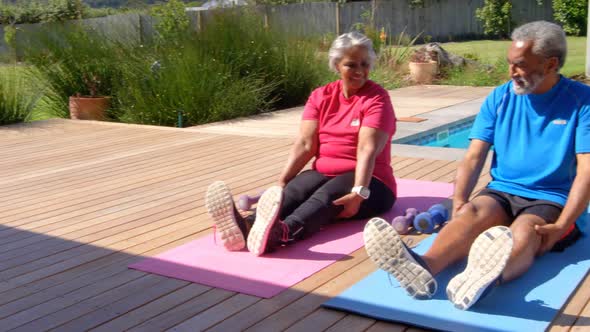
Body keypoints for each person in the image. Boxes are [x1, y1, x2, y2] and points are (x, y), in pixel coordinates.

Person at [364, 20, 590, 310]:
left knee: (526, 231)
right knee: (470, 212)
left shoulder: (581, 102)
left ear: (550, 64)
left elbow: (586, 170)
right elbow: (473, 155)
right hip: (503, 190)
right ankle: (424, 267)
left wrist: (562, 224)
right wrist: (458, 201)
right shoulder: (500, 96)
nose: (511, 72)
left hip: (550, 197)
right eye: (510, 63)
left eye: (519, 65)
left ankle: (486, 280)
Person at [206, 31, 398, 256]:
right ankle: (247, 225)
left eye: (365, 64)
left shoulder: (377, 98)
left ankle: (283, 233)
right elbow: (306, 144)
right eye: (351, 65)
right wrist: (282, 182)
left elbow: (367, 149)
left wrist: (359, 193)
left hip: (372, 184)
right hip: (326, 172)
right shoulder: (321, 96)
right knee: (296, 190)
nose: (359, 71)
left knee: (326, 195)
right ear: (336, 65)